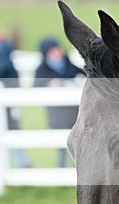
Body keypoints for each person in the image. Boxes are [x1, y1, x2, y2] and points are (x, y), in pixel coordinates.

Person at [33, 37, 84, 167]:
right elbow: (36, 87)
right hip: (56, 114)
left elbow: (83, 74)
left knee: (75, 143)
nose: (56, 53)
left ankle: (76, 169)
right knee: (61, 145)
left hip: (73, 113)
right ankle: (60, 168)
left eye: (57, 49)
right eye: (52, 51)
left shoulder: (69, 65)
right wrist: (50, 84)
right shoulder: (42, 70)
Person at [0, 38, 31, 168]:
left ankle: (22, 163)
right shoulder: (9, 63)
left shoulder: (3, 64)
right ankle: (22, 162)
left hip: (7, 108)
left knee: (9, 133)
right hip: (10, 107)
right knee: (11, 133)